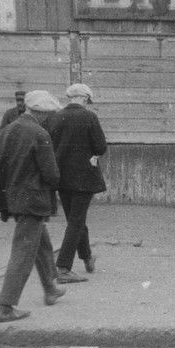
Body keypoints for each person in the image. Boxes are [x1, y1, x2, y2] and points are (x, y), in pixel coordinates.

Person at [0, 90, 66, 323]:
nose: (50, 118)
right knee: (23, 253)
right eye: (49, 114)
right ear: (41, 113)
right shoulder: (39, 133)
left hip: (13, 198)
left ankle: (50, 288)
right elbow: (52, 175)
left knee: (41, 243)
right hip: (33, 200)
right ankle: (6, 306)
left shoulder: (8, 130)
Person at [47, 83, 107, 284]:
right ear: (83, 98)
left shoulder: (54, 117)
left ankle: (88, 258)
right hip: (83, 178)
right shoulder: (89, 117)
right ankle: (63, 267)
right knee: (76, 221)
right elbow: (100, 147)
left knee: (75, 219)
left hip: (61, 177)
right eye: (87, 100)